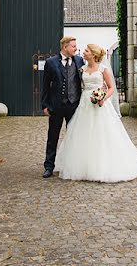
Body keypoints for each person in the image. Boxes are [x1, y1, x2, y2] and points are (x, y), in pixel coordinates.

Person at [55, 43, 137, 183]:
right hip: (85, 104)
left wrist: (102, 97)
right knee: (83, 134)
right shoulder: (82, 68)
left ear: (93, 54)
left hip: (100, 105)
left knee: (102, 134)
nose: (83, 52)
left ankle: (102, 167)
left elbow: (111, 88)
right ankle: (84, 166)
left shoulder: (103, 69)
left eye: (86, 50)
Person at [41, 35, 84, 178]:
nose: (76, 48)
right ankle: (48, 167)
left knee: (74, 137)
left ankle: (73, 166)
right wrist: (45, 105)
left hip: (74, 106)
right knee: (53, 137)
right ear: (65, 47)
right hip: (56, 106)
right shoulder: (51, 62)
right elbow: (45, 86)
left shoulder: (79, 60)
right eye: (73, 46)